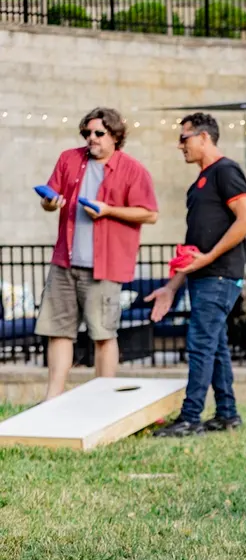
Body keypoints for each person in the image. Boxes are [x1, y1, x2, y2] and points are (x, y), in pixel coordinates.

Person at [34, 107, 159, 399]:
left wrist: (109, 211)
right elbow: (50, 198)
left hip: (105, 267)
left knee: (103, 334)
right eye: (87, 133)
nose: (92, 138)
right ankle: (52, 400)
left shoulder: (132, 169)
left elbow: (150, 214)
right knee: (59, 331)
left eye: (99, 133)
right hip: (64, 262)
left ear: (115, 136)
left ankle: (104, 400)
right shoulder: (69, 159)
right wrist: (50, 205)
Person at [146, 113, 246, 437]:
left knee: (200, 343)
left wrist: (208, 257)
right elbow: (193, 249)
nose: (180, 145)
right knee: (216, 346)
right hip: (203, 276)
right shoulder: (198, 185)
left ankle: (190, 418)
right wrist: (170, 287)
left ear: (205, 137)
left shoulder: (226, 171)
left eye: (185, 137)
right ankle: (227, 414)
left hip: (220, 276)